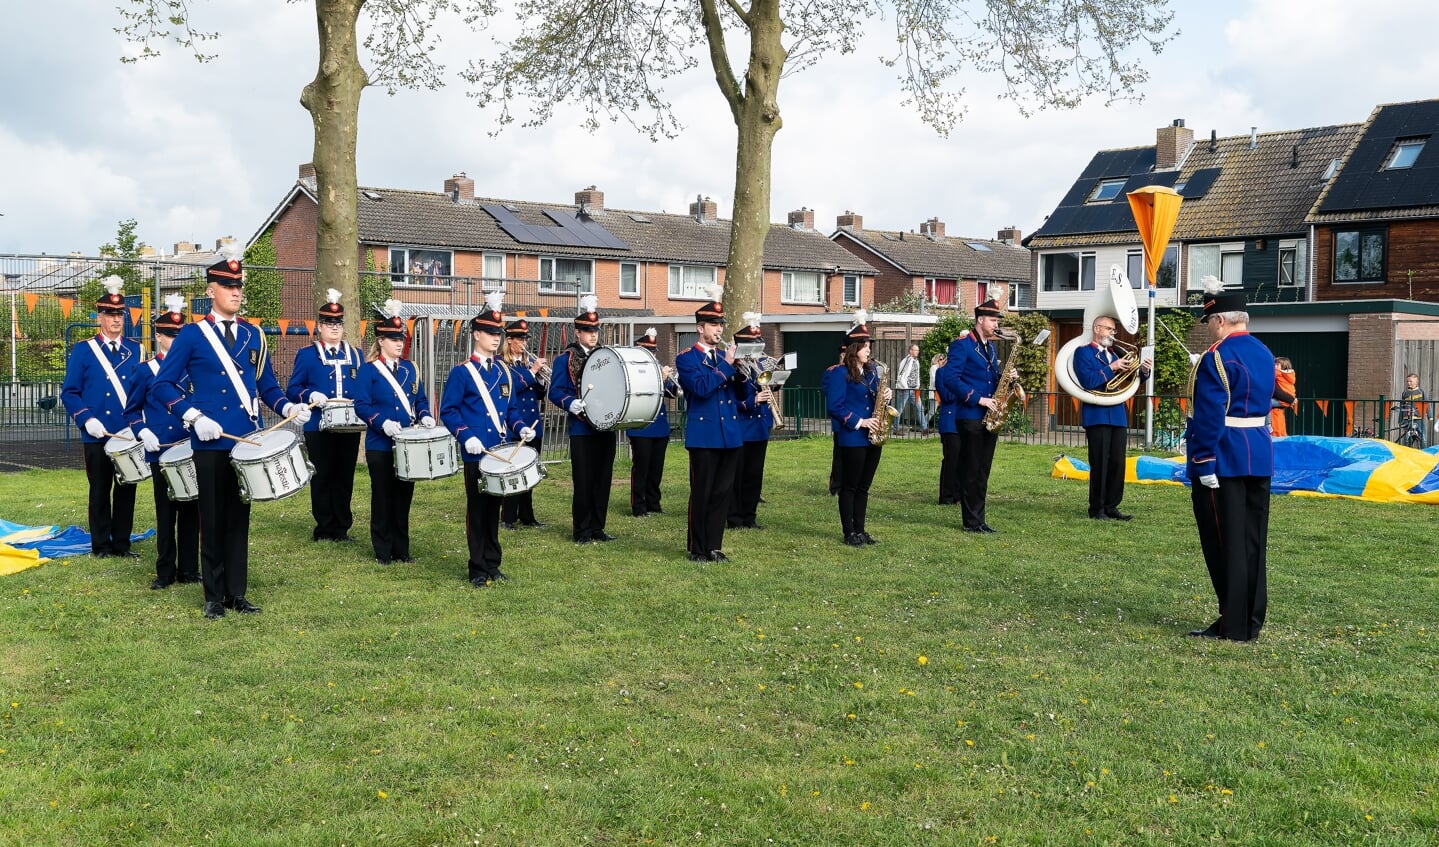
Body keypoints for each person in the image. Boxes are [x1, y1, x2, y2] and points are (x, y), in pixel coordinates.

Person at [152, 244, 313, 619]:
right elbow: (163, 385)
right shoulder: (192, 336)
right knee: (212, 516)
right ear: (211, 291)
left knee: (239, 519)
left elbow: (267, 386)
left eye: (239, 284)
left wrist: (288, 407)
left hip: (246, 440)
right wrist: (193, 416)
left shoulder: (254, 336)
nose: (236, 291)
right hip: (209, 441)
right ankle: (213, 595)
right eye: (228, 285)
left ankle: (237, 593)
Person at [1185, 277, 1275, 642]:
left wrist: (1203, 462)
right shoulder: (1265, 352)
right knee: (1253, 542)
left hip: (1222, 458)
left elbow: (1208, 416)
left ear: (1220, 319)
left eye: (1208, 322)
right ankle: (1252, 619)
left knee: (1225, 543)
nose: (1208, 329)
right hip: (1258, 453)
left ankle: (1232, 623)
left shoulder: (1216, 357)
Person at [440, 292, 535, 587]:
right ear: (477, 334)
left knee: (495, 509)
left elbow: (511, 410)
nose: (496, 338)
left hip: (502, 451)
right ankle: (477, 567)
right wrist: (465, 435)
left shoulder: (504, 371)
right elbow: (448, 410)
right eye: (491, 333)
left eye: (499, 333)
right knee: (478, 510)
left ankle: (493, 563)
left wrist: (521, 428)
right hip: (476, 452)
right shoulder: (462, 373)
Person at [61, 275, 142, 559]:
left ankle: (122, 544)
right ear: (100, 317)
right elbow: (69, 392)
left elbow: (141, 390)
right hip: (96, 432)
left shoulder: (135, 350)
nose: (116, 320)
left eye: (120, 314)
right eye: (110, 314)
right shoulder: (84, 350)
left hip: (125, 432)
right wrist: (87, 419)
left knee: (126, 490)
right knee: (99, 491)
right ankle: (101, 545)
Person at [125, 295, 200, 589]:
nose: (174, 339)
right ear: (158, 335)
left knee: (193, 511)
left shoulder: (194, 368)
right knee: (166, 512)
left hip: (191, 448)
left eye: (179, 335)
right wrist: (143, 431)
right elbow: (131, 410)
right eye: (170, 334)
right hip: (161, 450)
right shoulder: (145, 371)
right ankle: (165, 571)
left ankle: (190, 569)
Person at [354, 300, 434, 566]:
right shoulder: (369, 371)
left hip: (407, 442)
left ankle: (402, 548)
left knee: (404, 497)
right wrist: (381, 422)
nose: (399, 343)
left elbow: (419, 398)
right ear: (381, 341)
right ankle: (383, 550)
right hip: (380, 443)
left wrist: (425, 414)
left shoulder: (410, 369)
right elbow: (361, 405)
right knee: (383, 496)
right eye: (393, 339)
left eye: (401, 338)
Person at [286, 288, 364, 542]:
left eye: (338, 323)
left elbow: (363, 387)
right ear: (319, 326)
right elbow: (292, 389)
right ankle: (323, 527)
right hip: (318, 426)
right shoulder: (307, 355)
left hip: (349, 426)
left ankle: (341, 527)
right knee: (322, 476)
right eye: (329, 323)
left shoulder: (355, 354)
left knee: (344, 476)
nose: (334, 328)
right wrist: (309, 395)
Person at [675, 294, 746, 562]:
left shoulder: (723, 357)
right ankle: (697, 547)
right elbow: (702, 388)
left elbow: (740, 393)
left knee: (721, 494)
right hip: (704, 436)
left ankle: (714, 546)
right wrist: (727, 365)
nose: (718, 329)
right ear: (700, 328)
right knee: (702, 493)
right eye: (713, 324)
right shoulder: (687, 359)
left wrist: (740, 370)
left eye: (720, 324)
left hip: (729, 435)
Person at [548, 294, 617, 544]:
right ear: (577, 332)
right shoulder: (564, 359)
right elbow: (555, 391)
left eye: (595, 330)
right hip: (581, 428)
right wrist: (570, 403)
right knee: (584, 481)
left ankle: (598, 527)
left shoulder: (606, 357)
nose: (593, 335)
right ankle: (582, 530)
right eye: (588, 330)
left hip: (605, 426)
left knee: (603, 480)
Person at [940, 299, 1014, 533]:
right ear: (980, 319)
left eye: (996, 320)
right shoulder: (962, 345)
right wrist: (977, 399)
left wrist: (1006, 377)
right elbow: (950, 379)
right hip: (971, 415)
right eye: (993, 320)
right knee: (971, 469)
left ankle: (979, 519)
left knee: (983, 470)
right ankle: (971, 522)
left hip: (989, 415)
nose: (995, 325)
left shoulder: (989, 347)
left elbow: (989, 378)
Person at [1074, 315, 1151, 520]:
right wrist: (1112, 367)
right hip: (1097, 413)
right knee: (1099, 462)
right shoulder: (1083, 352)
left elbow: (1134, 377)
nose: (1112, 334)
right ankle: (1096, 509)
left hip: (1117, 413)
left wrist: (1143, 370)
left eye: (1113, 330)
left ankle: (1111, 506)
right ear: (1096, 328)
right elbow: (1088, 380)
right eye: (1109, 329)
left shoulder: (1116, 352)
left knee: (1118, 462)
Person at [824, 311, 889, 546]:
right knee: (850, 487)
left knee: (863, 487)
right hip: (853, 436)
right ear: (854, 349)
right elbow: (835, 407)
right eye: (864, 346)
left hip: (872, 436)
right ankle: (849, 531)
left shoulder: (871, 372)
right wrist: (860, 422)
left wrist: (886, 396)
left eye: (869, 345)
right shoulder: (839, 374)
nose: (869, 350)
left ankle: (861, 530)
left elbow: (875, 399)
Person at [500, 317, 548, 529]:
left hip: (533, 423)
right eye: (520, 339)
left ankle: (527, 516)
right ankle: (508, 517)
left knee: (530, 471)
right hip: (514, 425)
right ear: (509, 340)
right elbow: (513, 387)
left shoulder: (527, 364)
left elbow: (538, 395)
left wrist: (541, 380)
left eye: (526, 339)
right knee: (513, 472)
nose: (524, 343)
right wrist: (532, 372)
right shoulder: (502, 364)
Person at [728, 315, 775, 530]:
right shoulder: (735, 370)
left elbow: (766, 388)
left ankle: (750, 516)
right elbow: (730, 403)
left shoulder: (760, 366)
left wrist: (777, 382)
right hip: (741, 427)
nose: (757, 351)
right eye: (752, 347)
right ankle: (735, 517)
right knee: (738, 475)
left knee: (754, 475)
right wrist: (752, 401)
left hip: (759, 428)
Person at [628, 327, 679, 518]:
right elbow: (641, 390)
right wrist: (662, 378)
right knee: (641, 468)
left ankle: (653, 503)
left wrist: (672, 382)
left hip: (660, 427)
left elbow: (670, 394)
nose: (652, 355)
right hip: (641, 427)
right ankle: (638, 506)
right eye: (648, 351)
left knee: (656, 468)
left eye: (653, 351)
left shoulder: (657, 370)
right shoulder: (634, 371)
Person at [891, 344, 928, 435]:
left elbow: (917, 375)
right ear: (910, 351)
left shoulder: (916, 361)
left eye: (918, 350)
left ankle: (925, 429)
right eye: (915, 350)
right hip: (905, 389)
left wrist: (917, 385)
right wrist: (905, 387)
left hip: (914, 389)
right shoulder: (906, 360)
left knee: (920, 408)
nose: (917, 352)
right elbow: (902, 374)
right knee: (899, 409)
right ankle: (895, 429)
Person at [1270, 357, 1296, 437]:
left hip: (1284, 399)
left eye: (1277, 364)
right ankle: (1280, 434)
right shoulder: (1289, 374)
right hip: (1289, 397)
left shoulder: (1277, 373)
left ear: (1284, 366)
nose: (1274, 366)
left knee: (1265, 404)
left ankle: (1268, 426)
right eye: (1274, 364)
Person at [1398, 372, 1426, 447]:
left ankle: (1424, 453)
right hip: (1407, 418)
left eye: (1411, 381)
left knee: (1422, 436)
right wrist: (1400, 419)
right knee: (1407, 438)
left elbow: (1427, 403)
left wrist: (1430, 416)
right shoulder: (1404, 393)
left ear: (1416, 382)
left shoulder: (1421, 392)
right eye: (1407, 381)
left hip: (1418, 418)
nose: (1409, 383)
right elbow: (1402, 406)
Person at [927, 352, 947, 425]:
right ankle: (924, 425)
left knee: (943, 409)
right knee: (932, 411)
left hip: (941, 392)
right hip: (935, 392)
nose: (942, 361)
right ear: (937, 360)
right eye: (940, 359)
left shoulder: (942, 368)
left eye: (943, 359)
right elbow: (933, 380)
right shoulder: (934, 368)